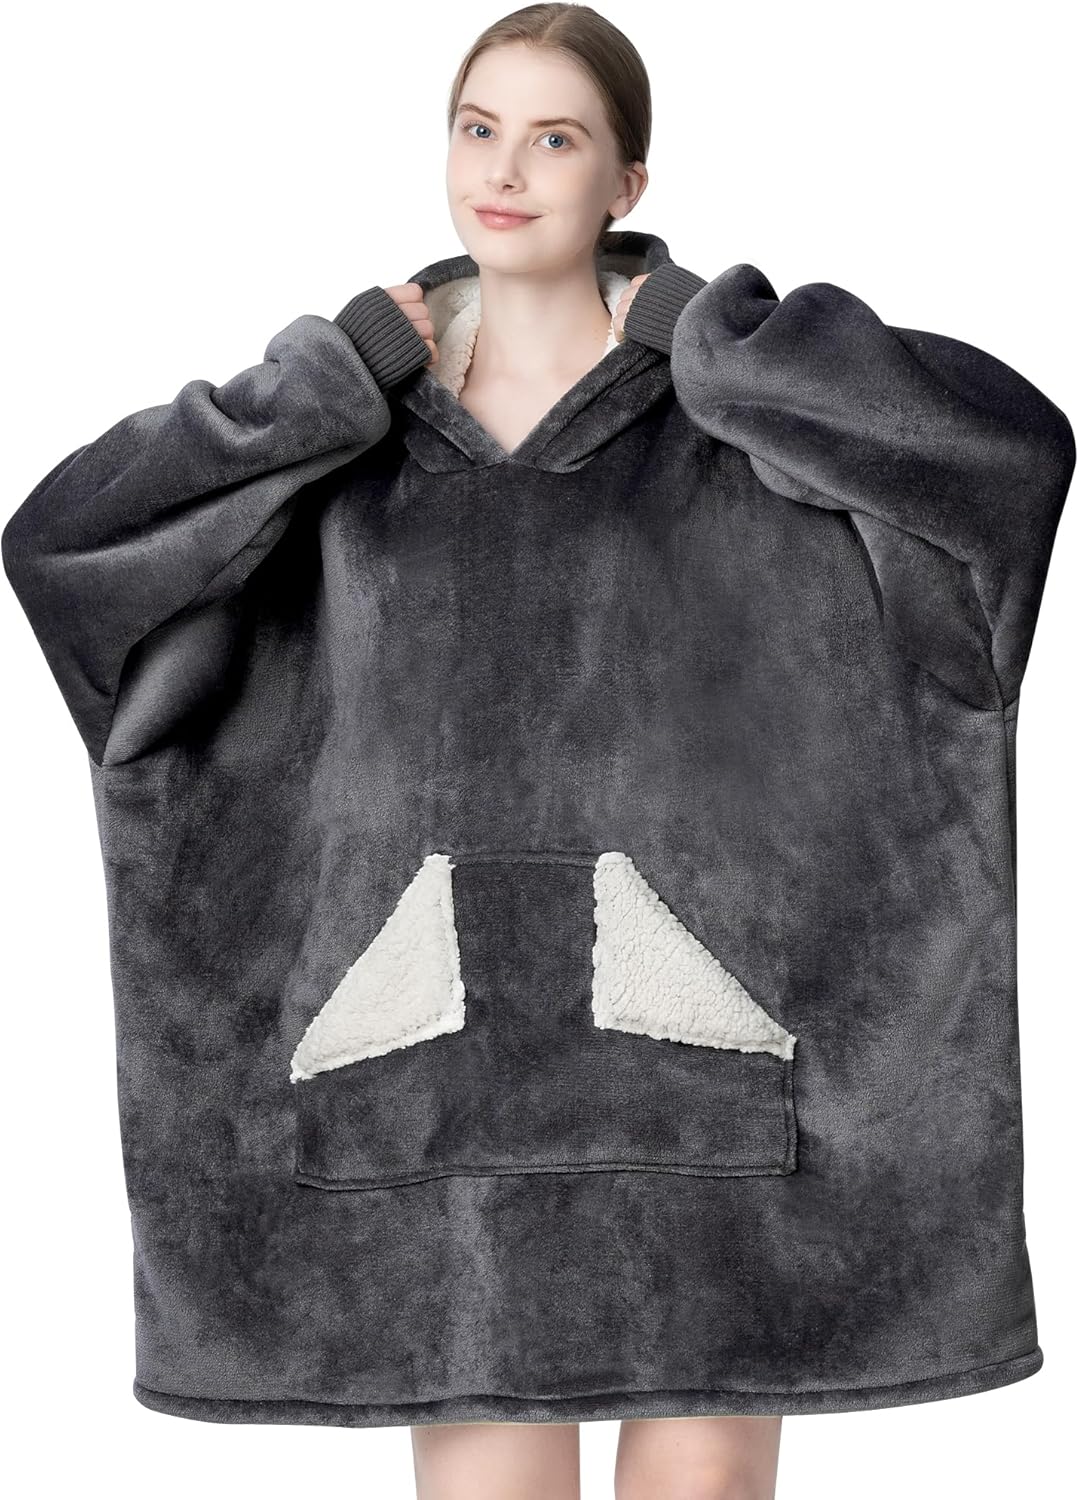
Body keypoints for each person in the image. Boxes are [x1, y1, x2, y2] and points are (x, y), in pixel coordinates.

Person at [3, 6, 1072, 1500]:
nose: (504, 171)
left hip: (718, 1113)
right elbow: (74, 554)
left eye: (554, 137)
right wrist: (321, 386)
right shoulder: (348, 434)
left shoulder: (738, 424)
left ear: (627, 180)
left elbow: (1000, 470)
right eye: (478, 128)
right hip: (427, 1110)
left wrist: (727, 351)